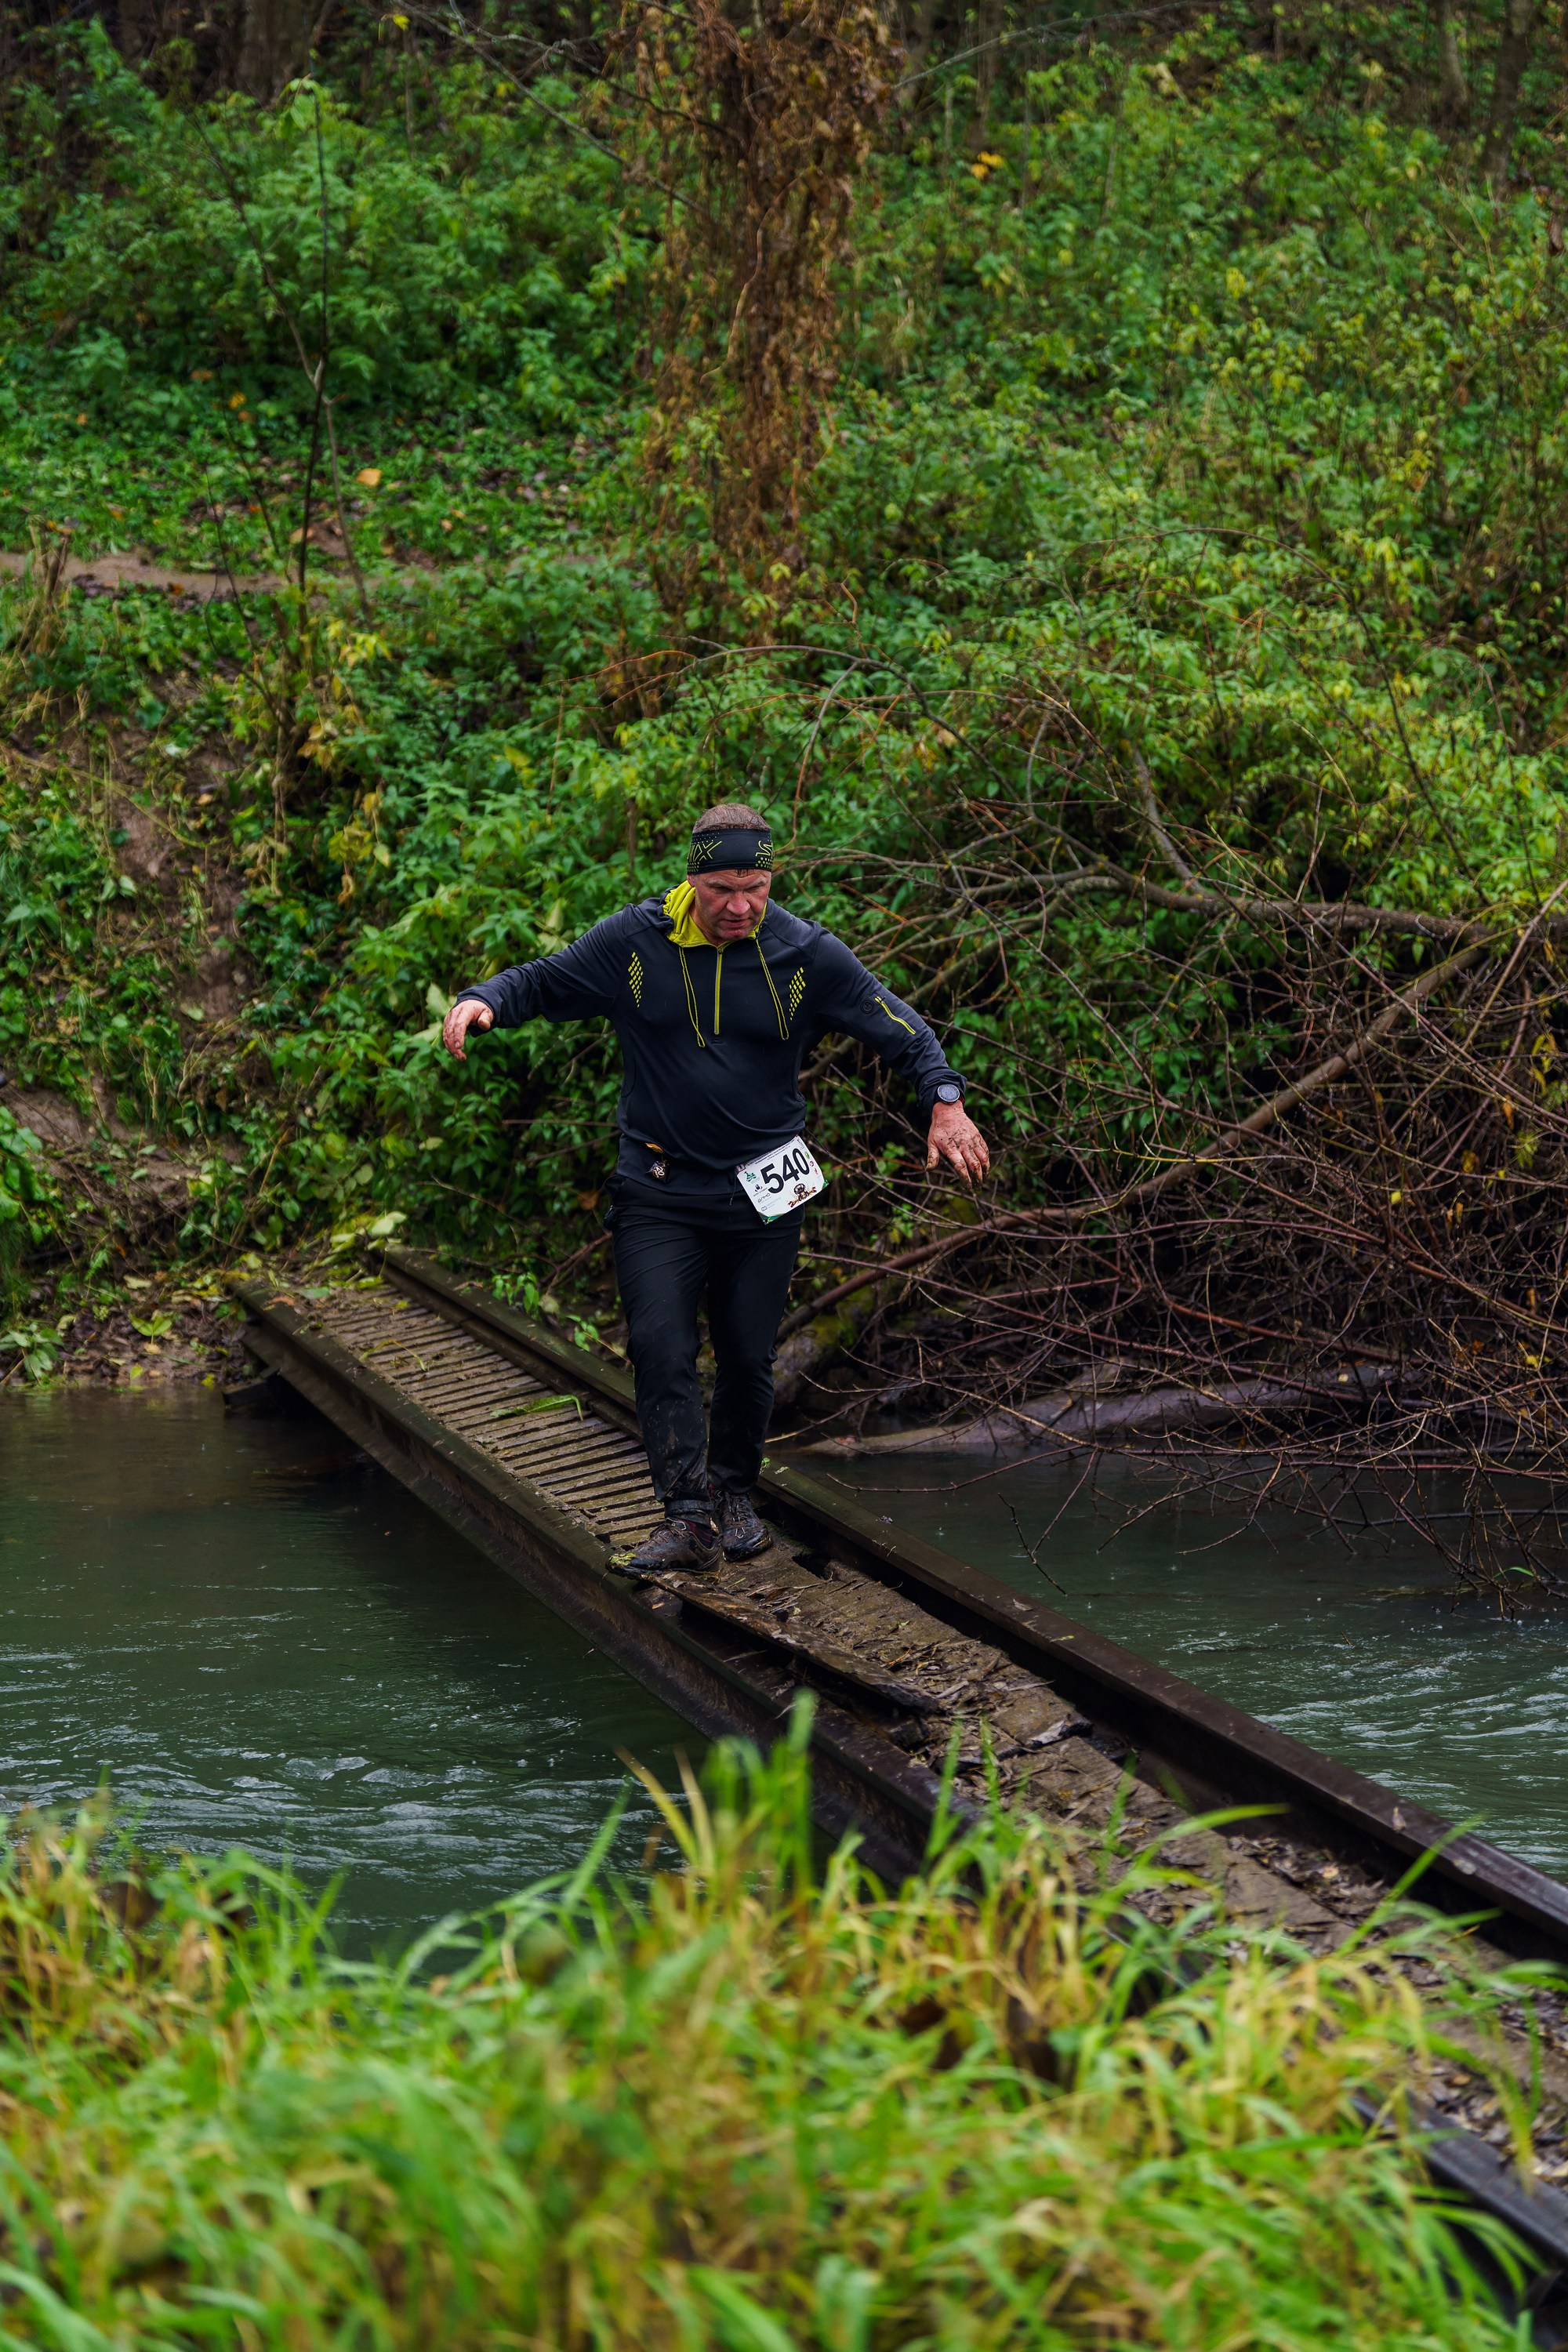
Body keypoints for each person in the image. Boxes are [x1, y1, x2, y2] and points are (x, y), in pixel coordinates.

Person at [442, 803, 989, 1573]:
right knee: (661, 1347)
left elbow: (898, 1026)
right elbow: (542, 982)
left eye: (755, 887)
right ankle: (687, 1514)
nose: (739, 905)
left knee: (745, 1354)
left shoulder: (805, 954)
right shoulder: (634, 945)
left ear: (771, 880)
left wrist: (943, 1099)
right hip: (658, 1187)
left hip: (764, 1189)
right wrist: (485, 999)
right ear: (691, 879)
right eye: (722, 888)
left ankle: (732, 1493)